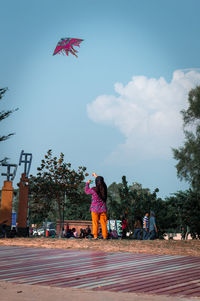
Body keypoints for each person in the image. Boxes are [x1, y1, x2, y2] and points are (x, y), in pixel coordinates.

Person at [85, 172, 108, 240]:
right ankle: (105, 236)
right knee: (103, 223)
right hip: (103, 209)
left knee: (95, 223)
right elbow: (101, 182)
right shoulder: (104, 189)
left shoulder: (93, 190)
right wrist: (96, 176)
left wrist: (88, 183)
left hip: (94, 209)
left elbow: (86, 191)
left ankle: (95, 236)